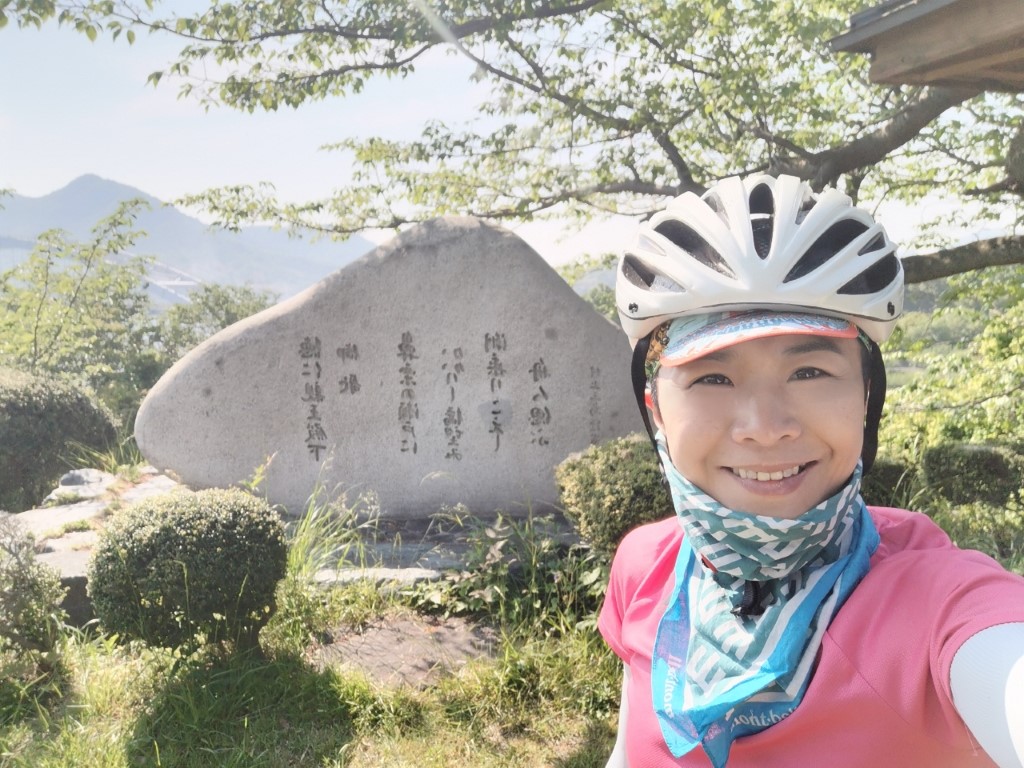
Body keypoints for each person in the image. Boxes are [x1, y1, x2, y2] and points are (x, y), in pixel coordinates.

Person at [599, 173, 1024, 767]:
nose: (765, 426)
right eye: (712, 377)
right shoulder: (648, 567)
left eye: (810, 373)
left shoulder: (934, 600)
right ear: (657, 414)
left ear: (868, 400)